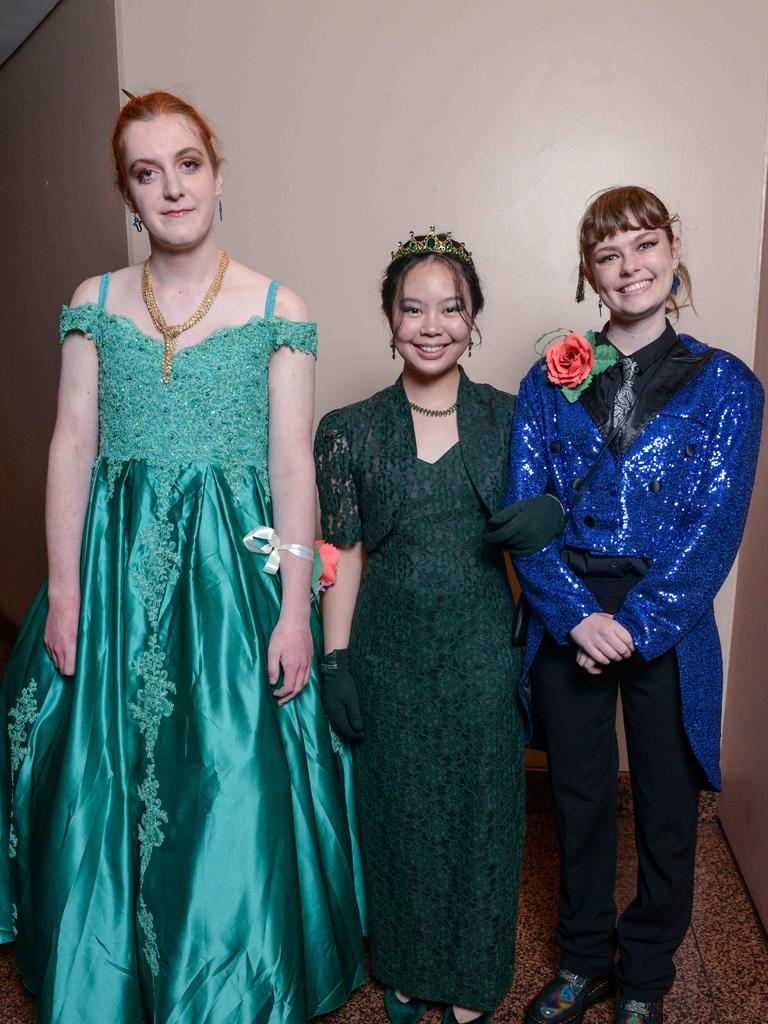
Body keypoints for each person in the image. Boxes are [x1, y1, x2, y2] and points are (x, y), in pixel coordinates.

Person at [0, 91, 365, 1024]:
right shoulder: (93, 302)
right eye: (146, 172)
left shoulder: (280, 305)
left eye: (187, 164)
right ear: (127, 193)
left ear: (216, 171)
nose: (172, 188)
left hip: (231, 562)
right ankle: (106, 969)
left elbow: (291, 468)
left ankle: (227, 974)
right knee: (98, 768)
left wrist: (290, 608)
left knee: (229, 768)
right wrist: (70, 592)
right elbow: (70, 447)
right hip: (114, 563)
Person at [507, 186, 764, 1024]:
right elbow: (525, 508)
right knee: (578, 798)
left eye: (645, 245)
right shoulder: (545, 383)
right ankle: (584, 960)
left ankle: (646, 974)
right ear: (589, 272)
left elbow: (715, 526)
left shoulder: (728, 383)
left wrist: (636, 626)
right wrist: (576, 616)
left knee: (663, 802)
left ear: (673, 248)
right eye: (609, 254)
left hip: (669, 614)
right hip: (568, 605)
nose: (631, 267)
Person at [314, 229, 564, 1024]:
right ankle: (410, 969)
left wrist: (552, 513)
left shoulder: (512, 417)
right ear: (388, 320)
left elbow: (570, 509)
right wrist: (336, 659)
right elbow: (342, 553)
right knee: (397, 817)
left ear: (474, 318)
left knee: (484, 816)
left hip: (485, 652)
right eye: (411, 308)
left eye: (449, 308)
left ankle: (473, 975)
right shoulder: (347, 429)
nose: (431, 324)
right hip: (387, 656)